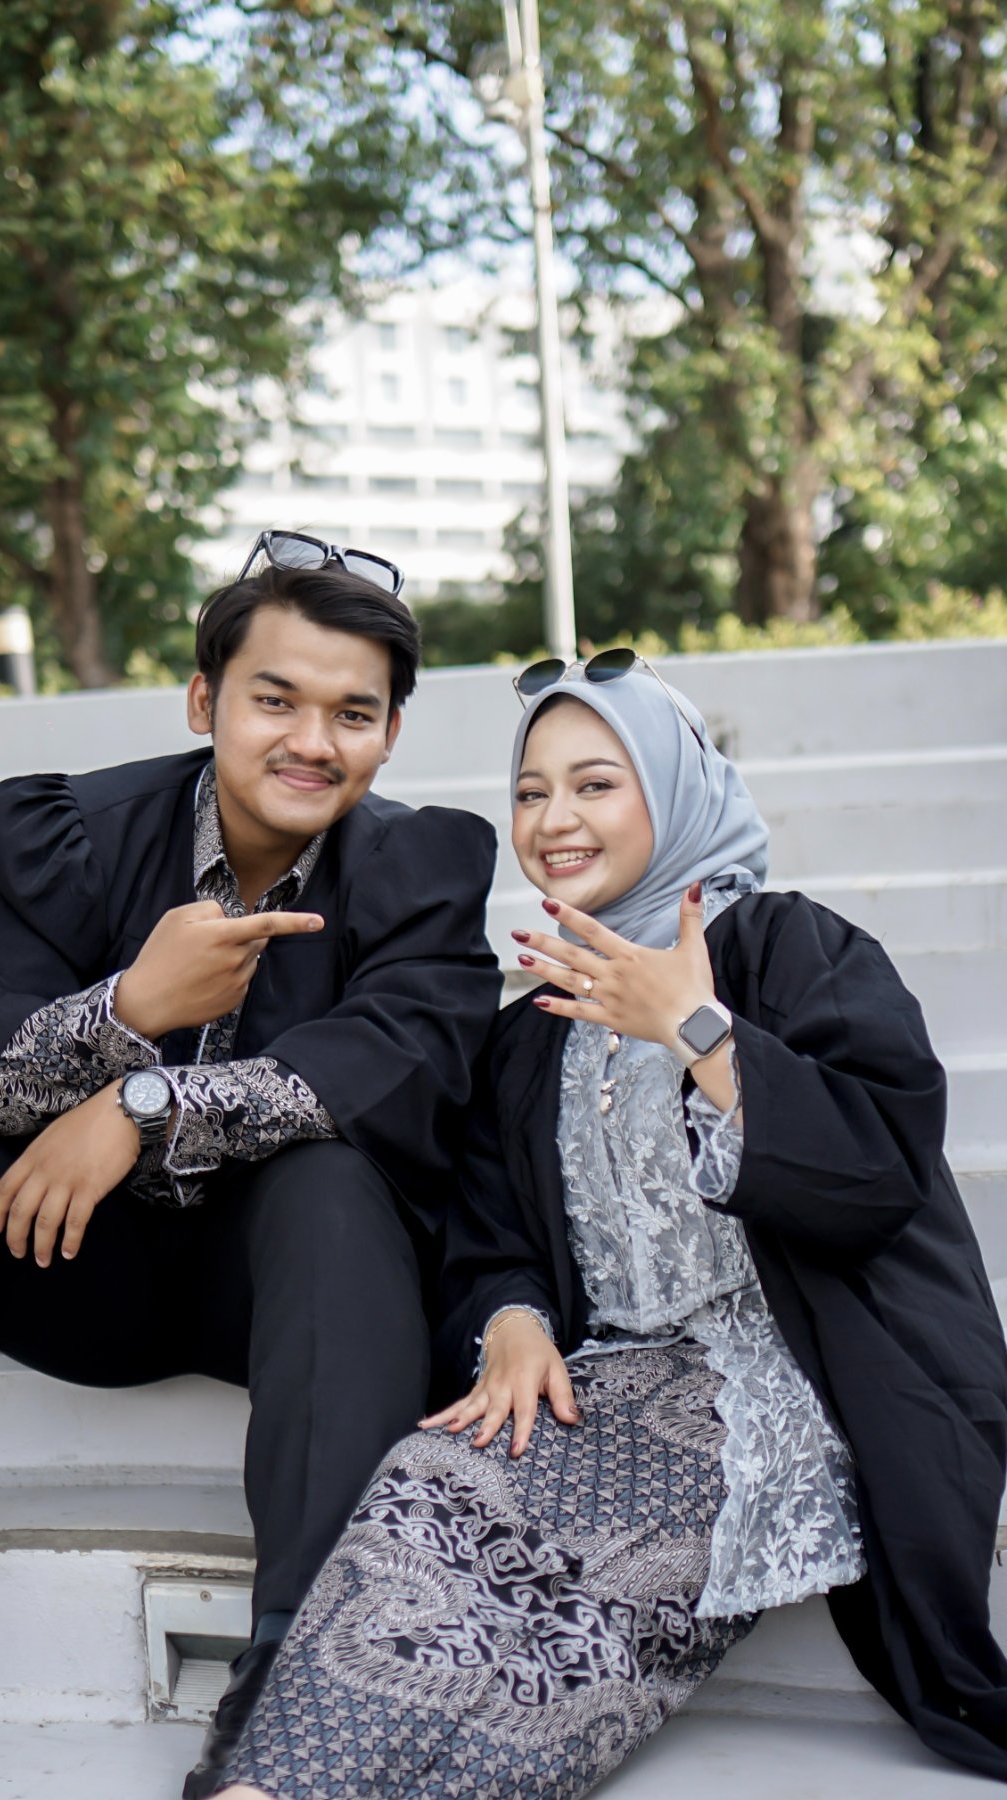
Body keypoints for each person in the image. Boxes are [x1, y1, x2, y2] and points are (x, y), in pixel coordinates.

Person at [208, 654, 1007, 1800]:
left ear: (673, 792)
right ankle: (262, 1787)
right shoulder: (535, 1025)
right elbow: (490, 1227)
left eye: (595, 784)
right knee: (432, 1477)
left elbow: (880, 1173)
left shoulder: (788, 949)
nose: (554, 820)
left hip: (792, 1377)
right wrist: (512, 1322)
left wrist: (696, 1029)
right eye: (531, 792)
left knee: (575, 1591)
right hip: (615, 1381)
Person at [0, 531, 503, 1796]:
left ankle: (302, 1675)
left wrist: (140, 1102)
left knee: (333, 1183)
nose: (312, 741)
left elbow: (401, 1071)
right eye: (274, 699)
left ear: (392, 733)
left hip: (296, 1298)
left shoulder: (416, 871)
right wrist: (129, 1006)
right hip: (75, 1259)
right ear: (203, 701)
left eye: (353, 713)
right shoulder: (62, 837)